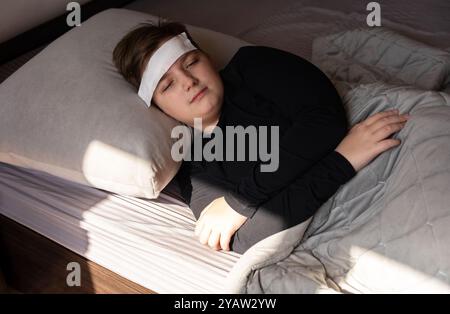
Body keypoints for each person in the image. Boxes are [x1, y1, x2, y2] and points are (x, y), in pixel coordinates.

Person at [113, 21, 409, 254]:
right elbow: (248, 236)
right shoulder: (195, 168)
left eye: (190, 62)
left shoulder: (253, 66)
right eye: (168, 85)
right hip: (348, 211)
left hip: (392, 143)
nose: (189, 82)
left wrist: (240, 201)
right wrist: (342, 159)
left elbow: (323, 120)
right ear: (158, 107)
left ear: (207, 58)